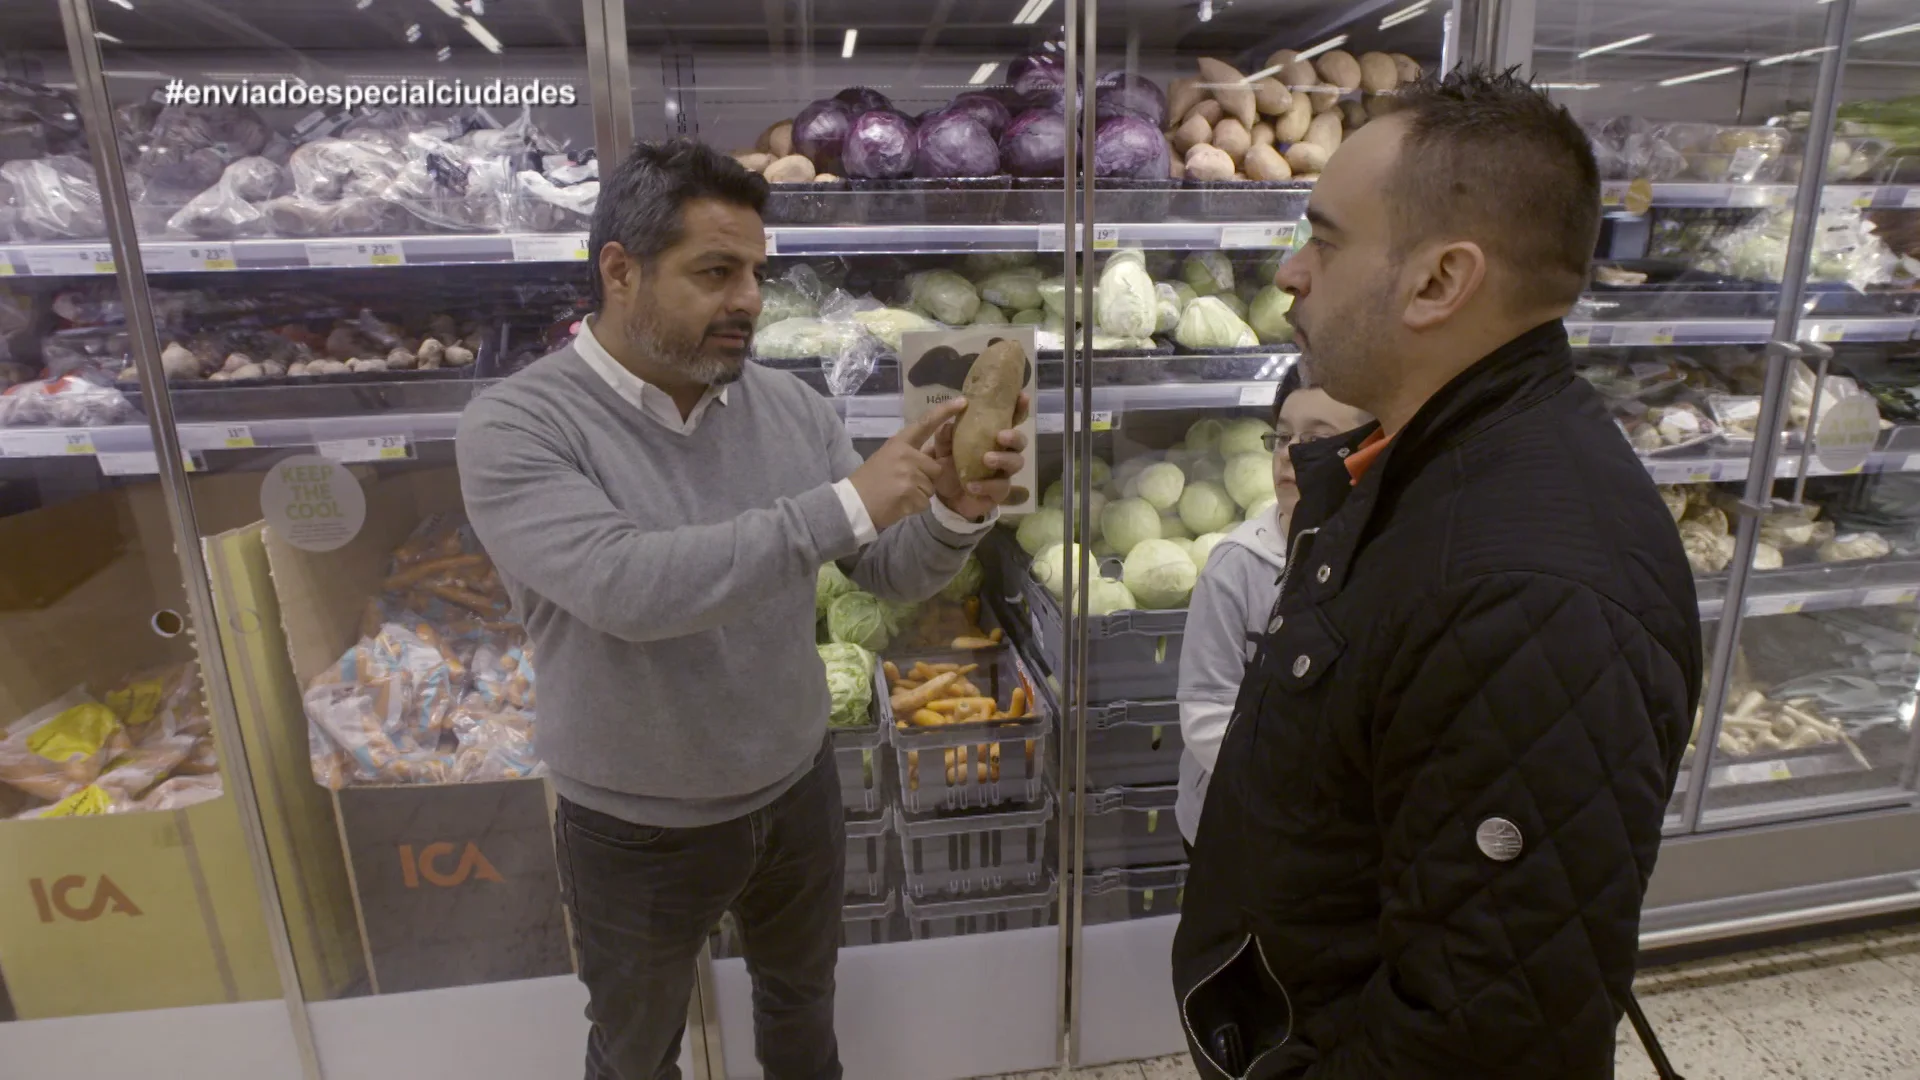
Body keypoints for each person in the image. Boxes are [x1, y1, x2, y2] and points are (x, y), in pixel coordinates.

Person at [456, 140, 1027, 1080]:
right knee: (636, 1049)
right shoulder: (519, 426)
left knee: (803, 1017)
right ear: (620, 271)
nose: (750, 300)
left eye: (756, 272)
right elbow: (627, 588)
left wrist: (956, 514)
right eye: (715, 273)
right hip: (633, 820)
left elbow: (883, 570)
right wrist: (848, 500)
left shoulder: (788, 409)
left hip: (794, 788)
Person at [1171, 69, 1701, 1079]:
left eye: (1323, 241)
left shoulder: (1532, 595)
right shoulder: (1421, 464)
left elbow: (1484, 1040)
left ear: (1439, 281)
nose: (1290, 272)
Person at [1175, 367, 1370, 850]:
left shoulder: (1382, 558)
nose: (1290, 455)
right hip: (1235, 823)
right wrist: (1287, 790)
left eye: (1317, 438)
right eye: (1282, 437)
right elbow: (1204, 713)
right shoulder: (1235, 566)